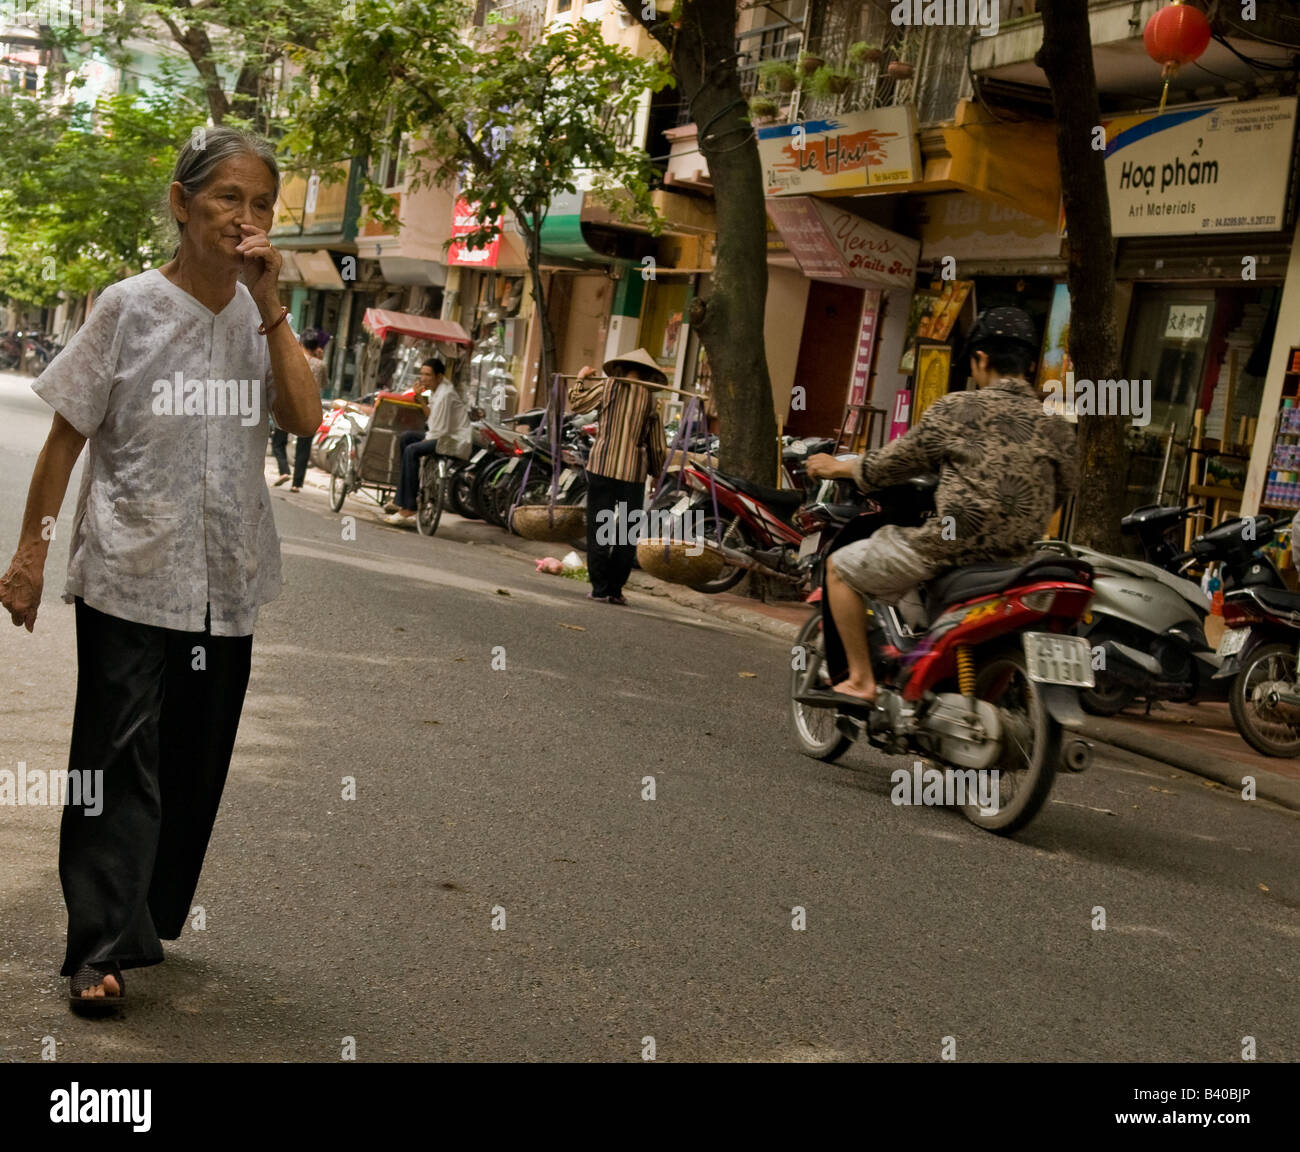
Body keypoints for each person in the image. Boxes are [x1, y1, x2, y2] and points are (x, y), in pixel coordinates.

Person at [0, 125, 320, 1012]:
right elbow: (67, 436)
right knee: (117, 758)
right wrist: (32, 550)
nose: (245, 219)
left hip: (227, 581)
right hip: (129, 572)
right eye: (228, 199)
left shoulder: (264, 320)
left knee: (191, 761)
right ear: (182, 204)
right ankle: (97, 945)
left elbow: (302, 419)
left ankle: (140, 918)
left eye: (261, 205)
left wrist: (275, 305)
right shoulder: (129, 307)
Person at [804, 306, 1077, 705]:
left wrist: (839, 467)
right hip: (1020, 559)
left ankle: (861, 679)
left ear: (980, 359)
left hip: (949, 548)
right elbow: (1063, 490)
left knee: (840, 568)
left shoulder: (958, 409)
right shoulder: (1055, 425)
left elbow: (892, 464)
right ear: (1031, 364)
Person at [567, 348, 669, 604]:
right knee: (626, 531)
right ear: (647, 374)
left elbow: (577, 403)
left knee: (599, 527)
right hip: (633, 473)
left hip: (602, 466)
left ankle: (600, 588)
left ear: (622, 368)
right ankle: (615, 589)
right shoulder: (651, 401)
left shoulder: (608, 387)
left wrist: (581, 378)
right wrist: (658, 473)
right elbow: (657, 444)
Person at [384, 358, 470, 525]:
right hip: (440, 435)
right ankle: (401, 497)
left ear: (438, 376)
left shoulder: (446, 394)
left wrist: (424, 440)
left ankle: (408, 507)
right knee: (406, 438)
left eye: (427, 375)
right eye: (422, 374)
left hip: (451, 440)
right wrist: (420, 398)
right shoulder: (436, 391)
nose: (423, 378)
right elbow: (432, 416)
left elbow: (440, 429)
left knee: (412, 450)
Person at [271, 333, 326, 491]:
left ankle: (284, 470)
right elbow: (324, 384)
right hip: (309, 406)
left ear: (301, 344)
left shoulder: (294, 359)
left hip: (290, 403)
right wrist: (320, 360)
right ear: (316, 348)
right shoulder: (320, 365)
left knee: (278, 442)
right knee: (304, 446)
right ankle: (296, 484)